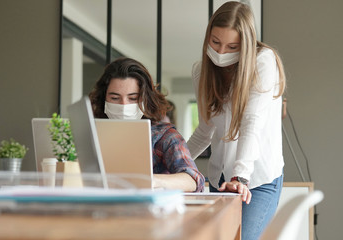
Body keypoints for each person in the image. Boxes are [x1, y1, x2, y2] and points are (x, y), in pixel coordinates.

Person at [187, 1, 286, 239]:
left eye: (232, 46)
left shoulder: (263, 61)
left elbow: (251, 122)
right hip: (220, 177)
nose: (221, 53)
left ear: (246, 44)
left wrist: (240, 176)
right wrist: (173, 163)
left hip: (258, 179)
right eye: (215, 42)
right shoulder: (202, 71)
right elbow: (204, 131)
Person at [89, 57, 205, 192]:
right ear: (104, 98)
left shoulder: (165, 136)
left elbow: (193, 180)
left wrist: (151, 180)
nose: (124, 105)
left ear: (145, 99)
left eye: (133, 98)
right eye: (115, 98)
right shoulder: (93, 131)